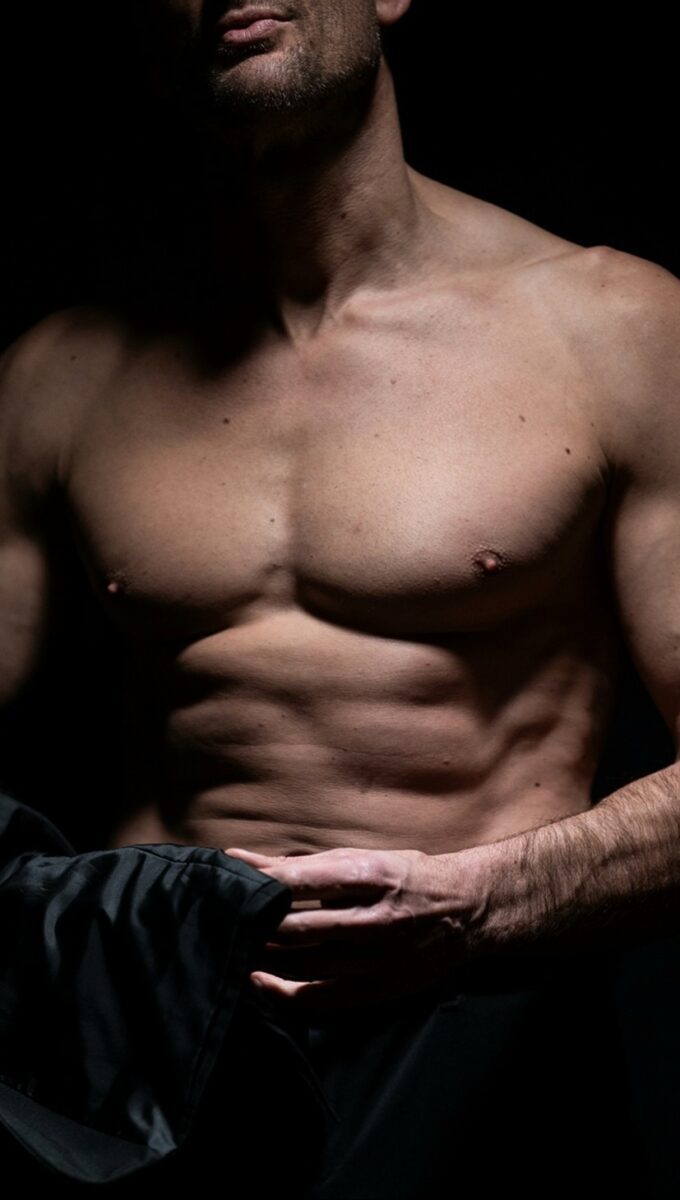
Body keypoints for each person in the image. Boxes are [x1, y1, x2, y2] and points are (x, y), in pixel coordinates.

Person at [2, 1, 680, 1195]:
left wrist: (478, 904)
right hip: (153, 1064)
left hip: (478, 1031)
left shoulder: (617, 331)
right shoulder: (57, 373)